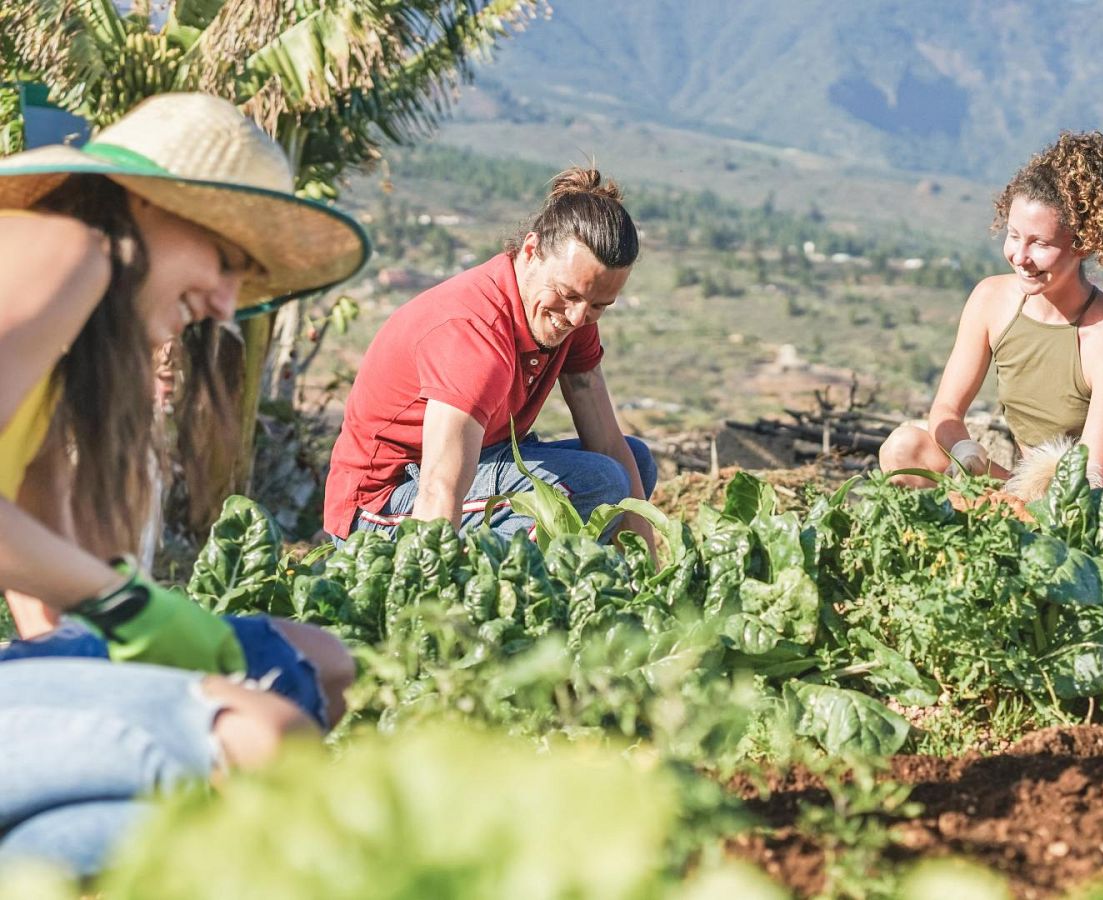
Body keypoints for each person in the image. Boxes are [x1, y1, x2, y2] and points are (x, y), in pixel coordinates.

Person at [0, 91, 368, 874]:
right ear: (141, 203)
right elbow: (104, 597)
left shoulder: (67, 360)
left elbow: (55, 587)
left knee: (318, 666)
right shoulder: (67, 249)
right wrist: (127, 606)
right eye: (225, 260)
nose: (226, 303)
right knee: (262, 734)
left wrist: (114, 627)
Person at [323, 167, 656, 544]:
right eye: (569, 295)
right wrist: (427, 590)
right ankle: (492, 594)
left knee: (633, 465)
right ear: (531, 251)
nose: (578, 317)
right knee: (599, 483)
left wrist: (654, 579)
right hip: (384, 511)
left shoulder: (572, 316)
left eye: (600, 305)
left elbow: (608, 441)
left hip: (475, 469)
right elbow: (440, 486)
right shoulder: (473, 333)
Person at [878, 131, 1103, 503]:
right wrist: (966, 454)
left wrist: (1004, 502)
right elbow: (946, 411)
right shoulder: (990, 299)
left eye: (1040, 243)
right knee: (904, 451)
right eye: (1014, 236)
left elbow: (1093, 477)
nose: (1020, 255)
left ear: (1084, 244)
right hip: (1028, 488)